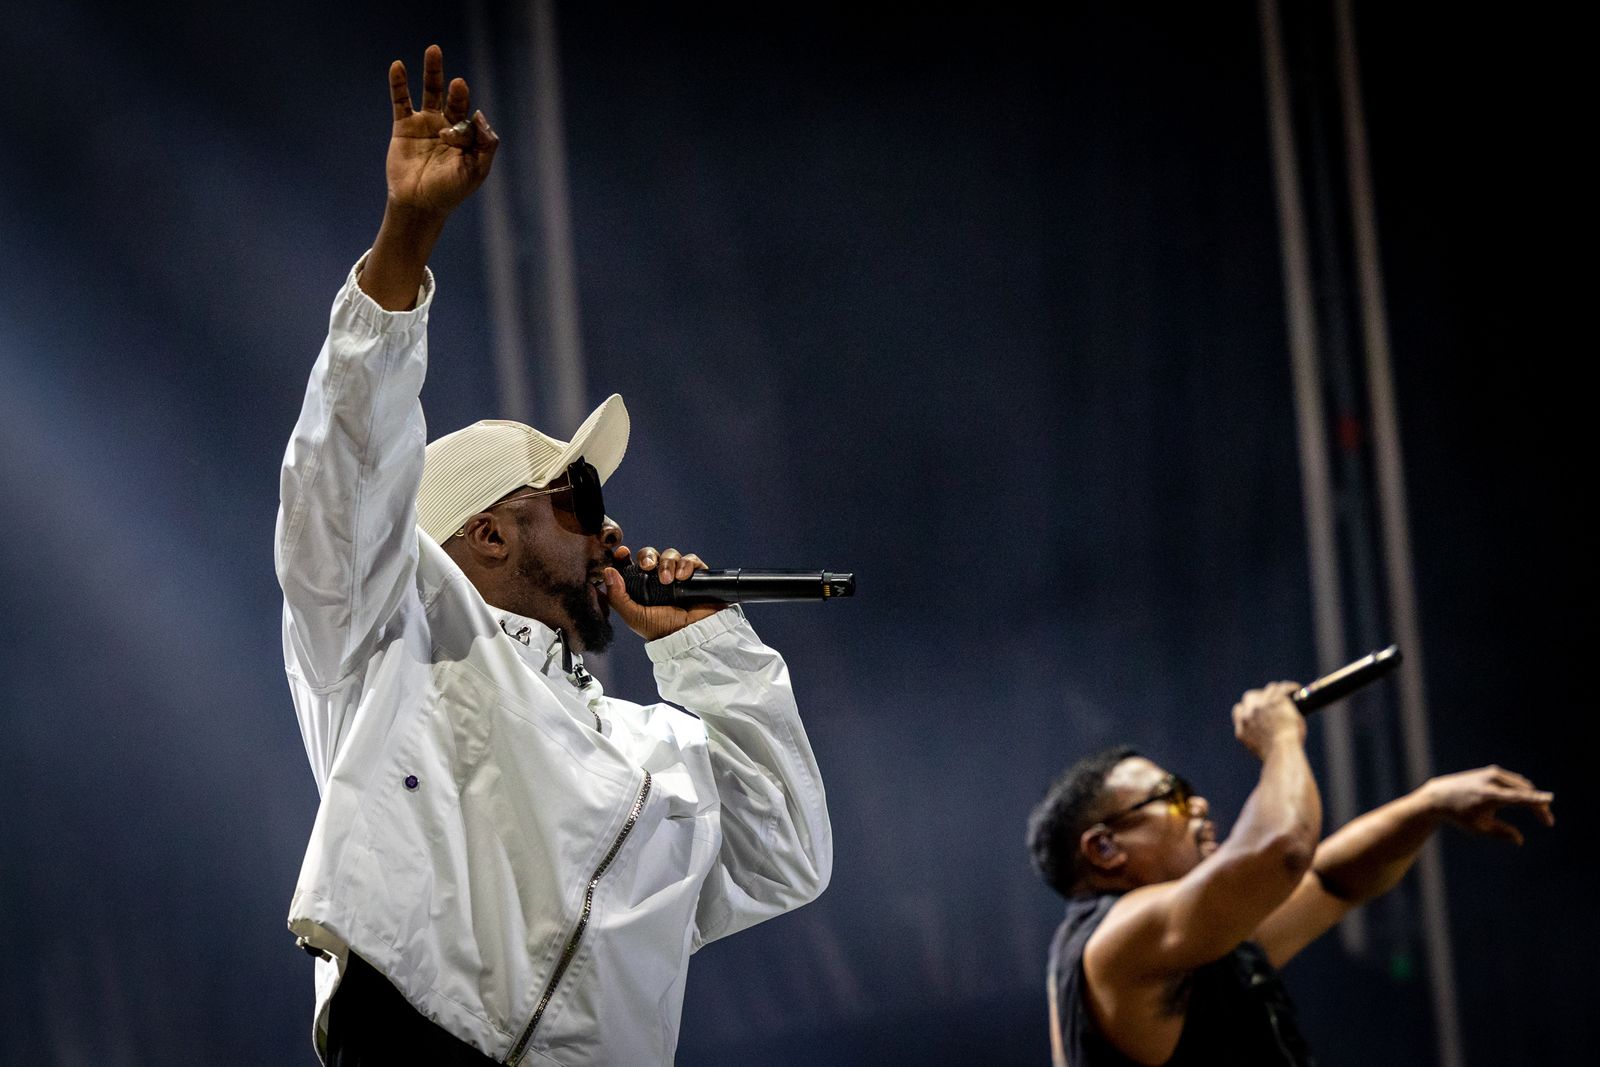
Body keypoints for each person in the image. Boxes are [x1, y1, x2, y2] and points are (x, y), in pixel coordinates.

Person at [275, 46, 831, 1066]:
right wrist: (409, 236)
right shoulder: (390, 639)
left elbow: (780, 853)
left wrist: (707, 651)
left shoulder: (641, 743)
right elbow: (346, 468)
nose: (611, 529)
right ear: (483, 532)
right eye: (577, 498)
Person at [1026, 682, 1553, 1066]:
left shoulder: (1186, 945)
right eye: (1174, 798)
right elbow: (1282, 849)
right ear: (1104, 848)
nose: (1201, 804)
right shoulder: (1115, 943)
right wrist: (1280, 738)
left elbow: (1331, 881)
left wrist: (1427, 804)